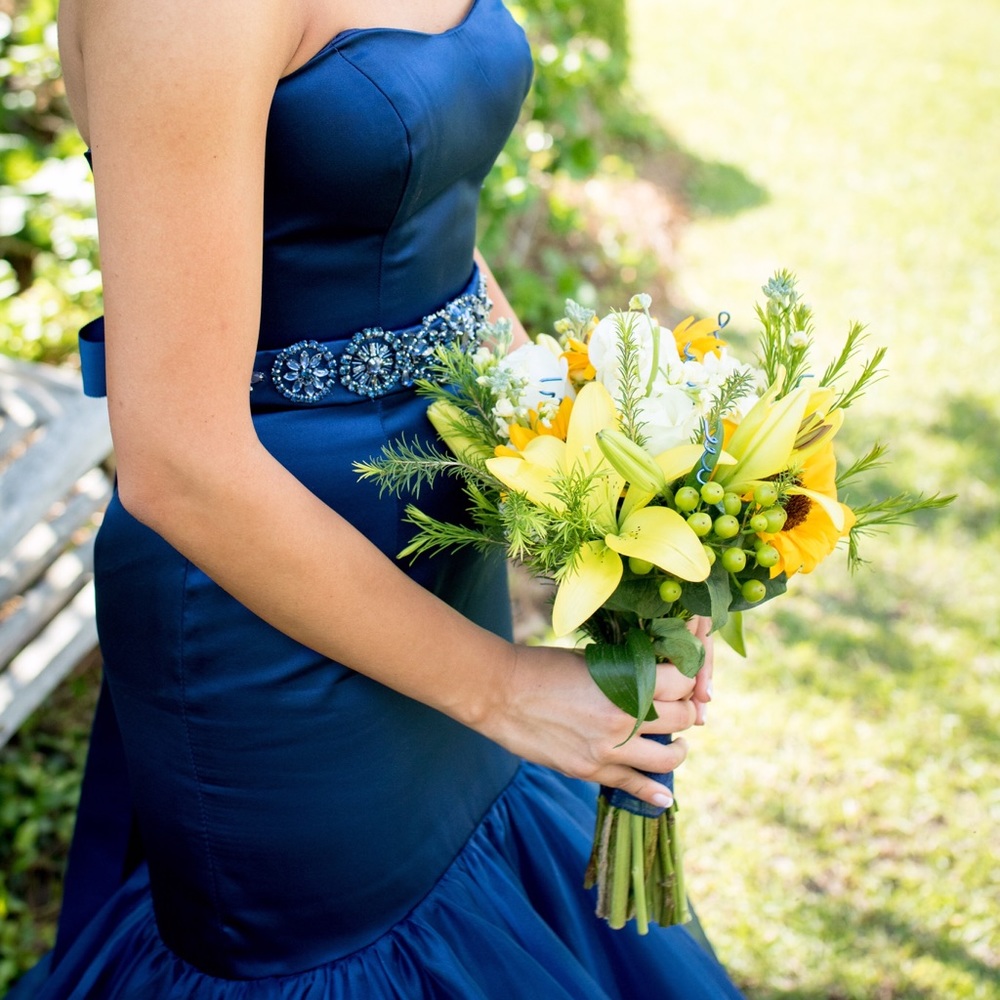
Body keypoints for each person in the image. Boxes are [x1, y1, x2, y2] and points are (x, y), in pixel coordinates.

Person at [14, 0, 747, 996]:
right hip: (265, 606)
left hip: (442, 546)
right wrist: (502, 687)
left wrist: (598, 487)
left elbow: (425, 222)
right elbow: (179, 462)